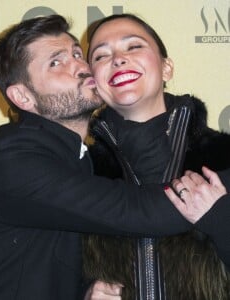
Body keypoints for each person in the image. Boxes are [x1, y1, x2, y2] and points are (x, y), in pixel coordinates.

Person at [0, 14, 207, 300]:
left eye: (76, 53)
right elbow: (138, 212)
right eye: (56, 62)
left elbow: (34, 260)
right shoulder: (13, 159)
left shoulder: (78, 157)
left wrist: (83, 292)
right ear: (23, 97)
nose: (80, 66)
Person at [83, 13, 230, 300]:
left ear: (166, 68)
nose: (118, 59)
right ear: (94, 83)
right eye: (101, 56)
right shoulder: (80, 172)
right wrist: (83, 292)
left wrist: (219, 218)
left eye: (134, 47)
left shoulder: (224, 155)